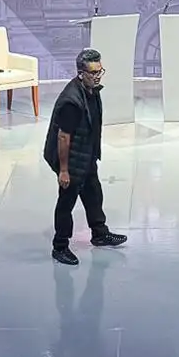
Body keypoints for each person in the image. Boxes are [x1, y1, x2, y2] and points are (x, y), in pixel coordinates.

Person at [44, 48, 127, 265]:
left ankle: (99, 233)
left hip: (86, 154)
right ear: (81, 73)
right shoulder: (71, 101)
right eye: (93, 73)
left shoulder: (91, 90)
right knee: (66, 203)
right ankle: (60, 246)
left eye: (100, 71)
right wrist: (63, 171)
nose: (98, 76)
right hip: (70, 159)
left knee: (93, 194)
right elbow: (63, 137)